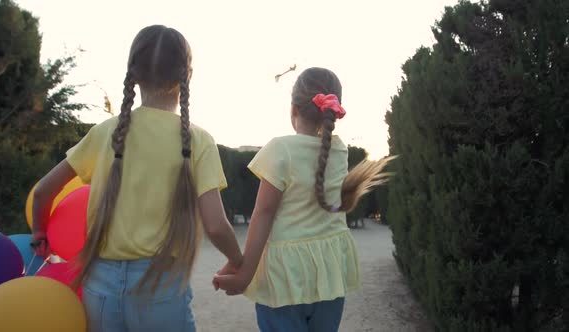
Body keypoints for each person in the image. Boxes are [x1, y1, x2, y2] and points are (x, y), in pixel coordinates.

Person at [31, 25, 242, 332]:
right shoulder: (198, 141)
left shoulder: (105, 132)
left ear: (133, 73)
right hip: (162, 287)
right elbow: (216, 225)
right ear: (187, 75)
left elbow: (43, 191)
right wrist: (238, 259)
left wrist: (40, 234)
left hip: (98, 285)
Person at [213, 67, 394, 332]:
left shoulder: (280, 149)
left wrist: (244, 272)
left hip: (285, 277)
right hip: (329, 273)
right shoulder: (340, 150)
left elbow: (263, 214)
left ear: (293, 110)